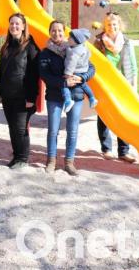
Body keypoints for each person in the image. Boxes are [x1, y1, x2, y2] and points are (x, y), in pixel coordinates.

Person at [39, 20, 96, 176]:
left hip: (76, 94)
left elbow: (91, 68)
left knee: (72, 130)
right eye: (53, 30)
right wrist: (63, 82)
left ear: (64, 32)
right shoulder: (45, 53)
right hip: (55, 96)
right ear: (49, 32)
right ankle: (51, 161)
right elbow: (44, 75)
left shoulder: (75, 47)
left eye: (59, 30)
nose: (56, 33)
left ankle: (69, 162)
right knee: (53, 130)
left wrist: (82, 77)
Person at [0, 13, 39, 169]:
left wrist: (31, 98)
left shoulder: (30, 46)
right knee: (12, 127)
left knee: (20, 129)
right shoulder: (6, 46)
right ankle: (16, 156)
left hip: (23, 96)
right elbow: (1, 72)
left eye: (17, 23)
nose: (14, 26)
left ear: (23, 26)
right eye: (12, 23)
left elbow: (34, 74)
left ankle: (23, 158)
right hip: (8, 95)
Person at [93, 12, 138, 163]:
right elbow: (93, 62)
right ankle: (106, 149)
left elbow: (133, 66)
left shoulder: (126, 42)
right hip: (105, 84)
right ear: (104, 26)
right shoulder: (99, 41)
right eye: (108, 24)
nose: (111, 27)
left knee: (123, 115)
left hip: (122, 84)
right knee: (104, 115)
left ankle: (123, 151)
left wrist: (133, 86)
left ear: (119, 25)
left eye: (114, 24)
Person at [62, 28, 99, 113]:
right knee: (83, 85)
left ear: (76, 41)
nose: (67, 38)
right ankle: (92, 98)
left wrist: (67, 74)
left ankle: (68, 100)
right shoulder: (82, 47)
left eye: (70, 38)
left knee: (64, 85)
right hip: (82, 70)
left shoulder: (74, 52)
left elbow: (71, 63)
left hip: (75, 71)